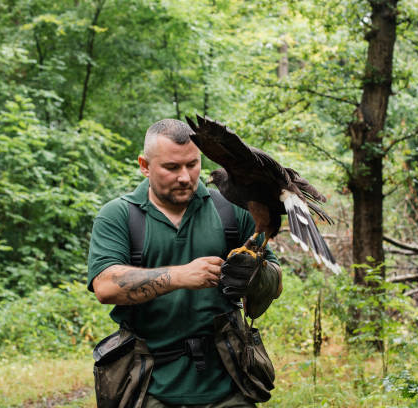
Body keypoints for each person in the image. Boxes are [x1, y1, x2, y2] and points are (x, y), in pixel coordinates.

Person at [87, 119, 282, 408]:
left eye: (192, 165)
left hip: (229, 383)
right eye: (171, 167)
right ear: (144, 165)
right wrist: (180, 276)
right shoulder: (118, 215)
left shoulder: (233, 209)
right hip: (149, 386)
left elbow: (275, 284)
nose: (185, 177)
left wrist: (255, 275)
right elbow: (105, 286)